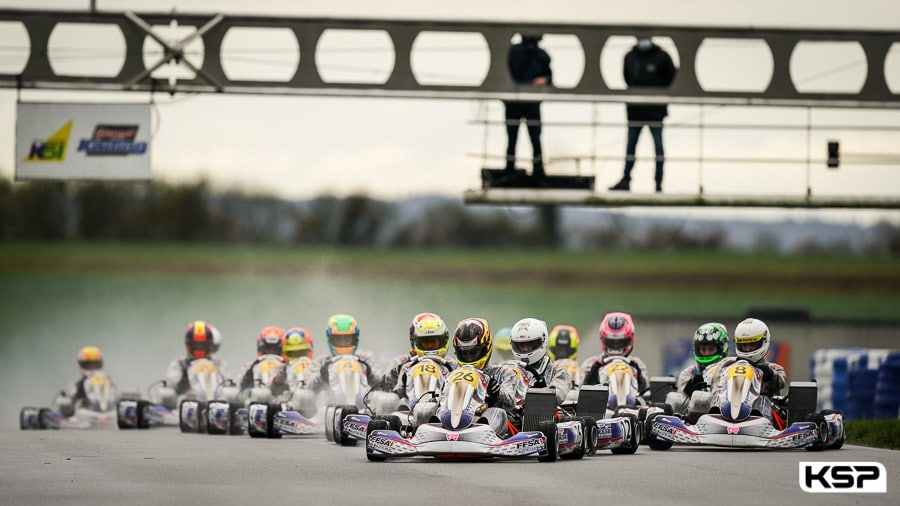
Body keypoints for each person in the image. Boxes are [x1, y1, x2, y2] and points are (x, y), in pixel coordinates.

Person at [609, 35, 676, 193]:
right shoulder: (632, 56)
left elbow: (670, 78)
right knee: (634, 145)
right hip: (639, 110)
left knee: (654, 146)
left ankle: (657, 181)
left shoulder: (659, 57)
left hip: (652, 110)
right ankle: (628, 179)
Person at [450, 317, 526, 436]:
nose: (469, 358)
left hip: (491, 423)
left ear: (486, 347)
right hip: (456, 418)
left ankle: (482, 434)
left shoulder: (505, 372)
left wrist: (495, 394)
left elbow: (510, 403)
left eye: (474, 352)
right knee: (427, 408)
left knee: (496, 412)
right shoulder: (454, 373)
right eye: (464, 353)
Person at [504, 33, 552, 178]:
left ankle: (536, 169)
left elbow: (549, 77)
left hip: (528, 102)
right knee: (515, 137)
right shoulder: (514, 52)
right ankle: (513, 168)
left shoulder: (541, 55)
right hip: (516, 101)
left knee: (534, 138)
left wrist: (544, 80)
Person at [391, 312, 458, 402]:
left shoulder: (451, 364)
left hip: (442, 405)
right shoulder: (406, 365)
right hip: (409, 409)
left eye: (433, 341)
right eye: (426, 342)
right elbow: (396, 391)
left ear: (442, 341)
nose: (430, 345)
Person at [581, 312, 651, 396]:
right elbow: (580, 394)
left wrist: (638, 376)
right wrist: (592, 375)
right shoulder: (591, 363)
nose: (616, 345)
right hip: (600, 406)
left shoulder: (637, 364)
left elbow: (646, 394)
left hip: (632, 406)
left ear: (630, 339)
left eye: (620, 342)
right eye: (611, 342)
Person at [508, 317, 571, 406]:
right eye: (521, 345)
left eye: (530, 344)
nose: (525, 349)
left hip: (541, 415)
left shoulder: (557, 371)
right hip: (510, 415)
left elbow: (558, 394)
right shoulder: (509, 369)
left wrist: (541, 393)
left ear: (542, 341)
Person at [313, 314, 380, 393]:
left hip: (362, 402)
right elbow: (309, 388)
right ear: (330, 339)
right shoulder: (322, 362)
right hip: (330, 402)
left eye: (347, 339)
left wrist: (369, 373)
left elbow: (381, 382)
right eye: (339, 339)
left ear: (355, 338)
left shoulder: (365, 360)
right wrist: (322, 377)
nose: (343, 343)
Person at [164, 320, 226, 398]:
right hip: (187, 403)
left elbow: (225, 386)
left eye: (203, 345)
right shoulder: (180, 363)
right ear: (188, 344)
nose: (199, 347)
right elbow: (173, 388)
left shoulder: (218, 363)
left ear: (210, 345)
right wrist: (185, 377)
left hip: (216, 402)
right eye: (195, 344)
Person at [53, 345, 119, 416]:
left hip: (88, 416)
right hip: (112, 415)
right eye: (89, 365)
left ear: (80, 365)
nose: (92, 367)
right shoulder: (109, 380)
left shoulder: (80, 383)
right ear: (101, 364)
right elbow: (116, 397)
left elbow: (70, 402)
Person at [732, 318, 786, 397]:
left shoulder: (774, 368)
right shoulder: (729, 365)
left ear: (764, 341)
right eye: (744, 345)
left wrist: (769, 374)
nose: (748, 349)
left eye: (752, 345)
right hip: (735, 406)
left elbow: (781, 382)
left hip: (764, 407)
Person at [676, 322, 730, 398]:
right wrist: (689, 392)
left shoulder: (730, 371)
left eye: (711, 349)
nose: (707, 353)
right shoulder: (689, 373)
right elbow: (679, 404)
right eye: (703, 349)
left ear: (722, 348)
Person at [238, 325, 289, 396]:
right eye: (267, 349)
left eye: (275, 349)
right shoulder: (251, 366)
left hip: (281, 401)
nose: (271, 352)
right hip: (256, 401)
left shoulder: (287, 367)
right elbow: (241, 389)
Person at [548, 324, 581, 388]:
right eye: (559, 350)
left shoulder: (580, 371)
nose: (562, 353)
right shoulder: (544, 371)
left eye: (566, 350)